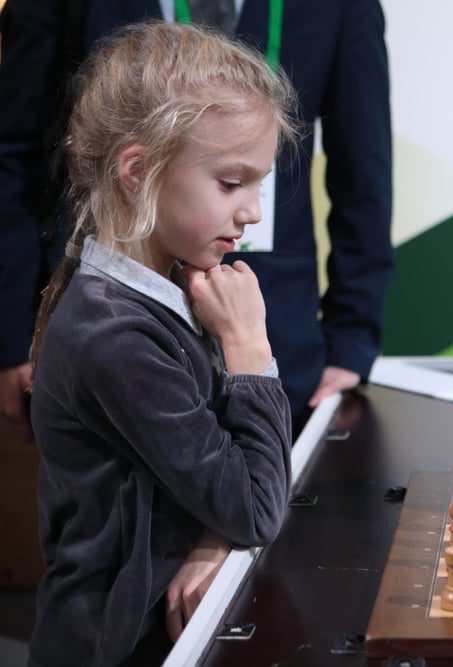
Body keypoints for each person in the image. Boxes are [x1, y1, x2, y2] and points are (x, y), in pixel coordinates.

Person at [27, 21, 297, 666]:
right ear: (139, 171)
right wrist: (249, 345)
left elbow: (222, 487)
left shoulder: (167, 290)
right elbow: (257, 507)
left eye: (258, 184)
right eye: (232, 183)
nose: (253, 211)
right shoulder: (115, 335)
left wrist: (212, 532)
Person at [0, 0, 394, 440]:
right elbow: (15, 154)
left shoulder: (343, 9)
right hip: (108, 321)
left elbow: (363, 171)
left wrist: (352, 340)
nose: (252, 210)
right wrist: (12, 335)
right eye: (229, 184)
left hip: (282, 337)